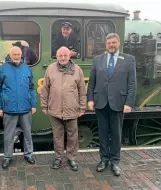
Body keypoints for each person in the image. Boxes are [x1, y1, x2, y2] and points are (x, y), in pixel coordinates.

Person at [87, 33, 136, 176]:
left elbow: (132, 84)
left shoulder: (129, 60)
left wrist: (129, 103)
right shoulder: (98, 60)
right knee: (102, 133)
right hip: (101, 102)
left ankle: (115, 161)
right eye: (109, 43)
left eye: (114, 42)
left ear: (118, 43)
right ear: (106, 45)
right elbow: (92, 82)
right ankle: (103, 159)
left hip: (118, 103)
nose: (111, 45)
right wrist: (90, 99)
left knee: (116, 134)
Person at [40, 46, 87, 170]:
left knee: (73, 136)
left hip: (72, 109)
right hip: (54, 109)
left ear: (69, 56)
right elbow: (45, 89)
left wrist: (82, 107)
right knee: (57, 135)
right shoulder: (50, 69)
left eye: (65, 55)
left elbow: (82, 90)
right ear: (57, 56)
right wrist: (44, 105)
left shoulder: (77, 70)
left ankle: (71, 158)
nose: (63, 58)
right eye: (60, 55)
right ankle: (58, 158)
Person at [0, 46, 37, 169]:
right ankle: (7, 157)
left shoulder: (27, 69)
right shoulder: (3, 69)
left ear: (21, 55)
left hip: (25, 108)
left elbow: (32, 88)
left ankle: (28, 154)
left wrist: (33, 104)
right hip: (9, 109)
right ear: (9, 55)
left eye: (18, 54)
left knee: (28, 134)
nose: (17, 56)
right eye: (14, 54)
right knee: (8, 135)